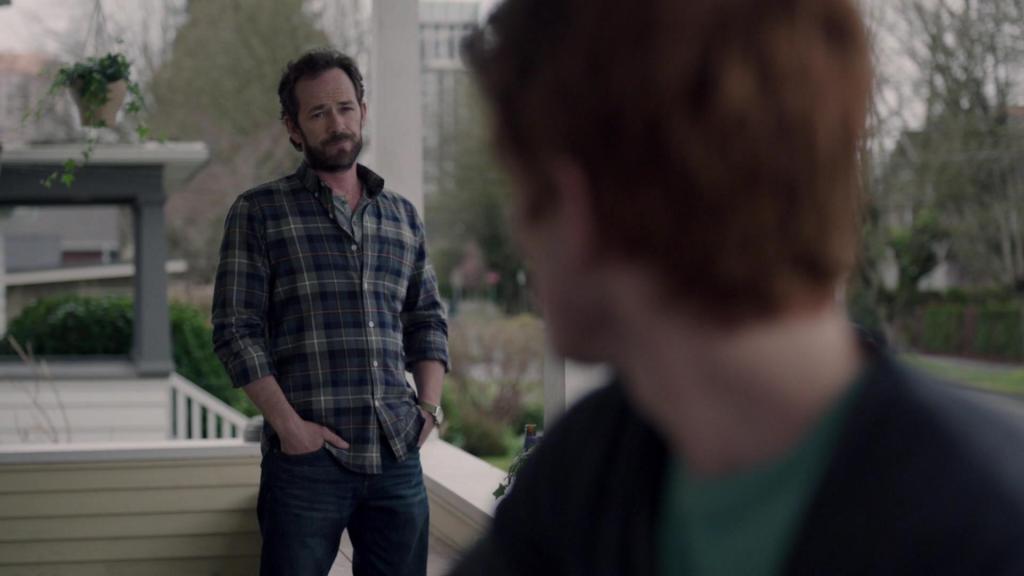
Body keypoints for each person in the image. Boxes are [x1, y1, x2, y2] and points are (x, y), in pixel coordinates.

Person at [451, 0, 1024, 574]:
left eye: (520, 189)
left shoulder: (588, 478)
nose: (519, 231)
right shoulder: (585, 470)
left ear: (577, 207)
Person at [212, 49, 449, 576]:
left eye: (345, 107)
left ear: (363, 111)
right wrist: (290, 429)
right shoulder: (259, 212)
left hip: (396, 455)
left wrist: (428, 409)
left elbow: (427, 319)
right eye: (318, 113)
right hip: (306, 464)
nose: (336, 123)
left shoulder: (402, 217)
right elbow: (235, 332)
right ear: (293, 128)